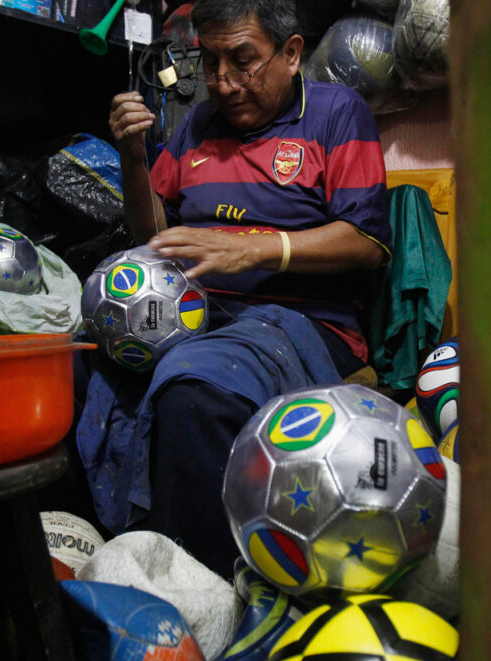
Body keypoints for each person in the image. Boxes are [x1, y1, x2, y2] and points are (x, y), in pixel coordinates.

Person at [78, 0, 390, 577]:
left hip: (303, 325)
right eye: (212, 61)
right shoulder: (197, 125)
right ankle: (107, 554)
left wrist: (258, 247)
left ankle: (202, 586)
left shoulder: (336, 113)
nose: (222, 82)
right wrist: (132, 154)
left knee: (193, 395)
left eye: (243, 61)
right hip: (196, 316)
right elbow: (155, 235)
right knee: (81, 371)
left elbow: (366, 241)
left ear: (291, 54)